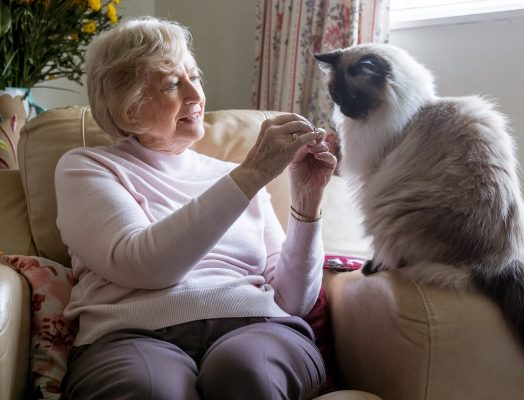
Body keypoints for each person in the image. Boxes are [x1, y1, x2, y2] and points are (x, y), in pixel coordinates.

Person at [56, 17, 336, 400]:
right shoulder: (87, 167)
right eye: (172, 83)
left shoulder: (237, 179)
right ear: (128, 109)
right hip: (132, 336)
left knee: (245, 371)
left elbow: (293, 301)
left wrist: (306, 200)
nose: (196, 95)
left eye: (195, 76)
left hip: (257, 326)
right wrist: (252, 174)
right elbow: (146, 265)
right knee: (151, 389)